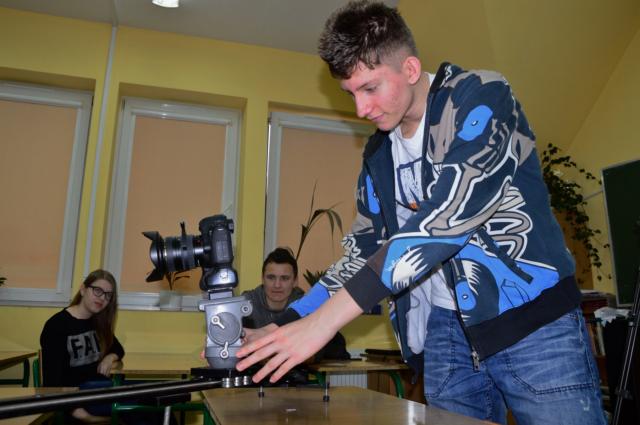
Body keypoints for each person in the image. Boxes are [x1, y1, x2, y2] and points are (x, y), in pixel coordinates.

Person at [236, 2, 607, 424]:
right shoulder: (378, 154)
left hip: (534, 324)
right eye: (351, 93)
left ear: (410, 69)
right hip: (445, 333)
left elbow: (448, 218)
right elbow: (362, 253)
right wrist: (288, 322)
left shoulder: (481, 95)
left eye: (370, 88)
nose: (360, 109)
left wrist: (323, 325)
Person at [40, 269, 123, 423]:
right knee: (147, 403)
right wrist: (84, 416)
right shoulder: (57, 325)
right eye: (97, 290)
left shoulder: (98, 322)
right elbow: (52, 385)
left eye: (108, 295)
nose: (102, 298)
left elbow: (118, 349)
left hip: (98, 390)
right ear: (83, 289)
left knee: (155, 396)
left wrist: (109, 358)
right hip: (76, 400)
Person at [242, 247, 350, 362]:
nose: (277, 285)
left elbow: (333, 347)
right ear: (263, 279)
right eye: (271, 277)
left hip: (298, 370)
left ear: (295, 281)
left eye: (285, 278)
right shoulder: (244, 305)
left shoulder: (307, 307)